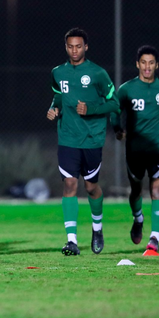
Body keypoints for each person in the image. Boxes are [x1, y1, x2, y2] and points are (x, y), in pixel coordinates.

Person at [47, 27, 119, 256]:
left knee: (91, 187)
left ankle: (97, 228)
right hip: (67, 137)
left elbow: (114, 103)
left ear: (86, 47)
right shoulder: (57, 72)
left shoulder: (98, 73)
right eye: (70, 46)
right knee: (69, 184)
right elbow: (58, 95)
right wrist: (53, 108)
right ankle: (71, 241)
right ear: (65, 47)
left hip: (92, 139)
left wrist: (91, 109)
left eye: (79, 46)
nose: (74, 50)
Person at [111, 45, 159, 253]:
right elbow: (115, 110)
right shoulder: (127, 89)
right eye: (143, 62)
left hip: (158, 148)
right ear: (137, 64)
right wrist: (117, 129)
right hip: (135, 151)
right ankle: (138, 218)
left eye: (151, 63)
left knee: (156, 190)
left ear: (156, 65)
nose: (147, 67)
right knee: (136, 190)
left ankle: (154, 239)